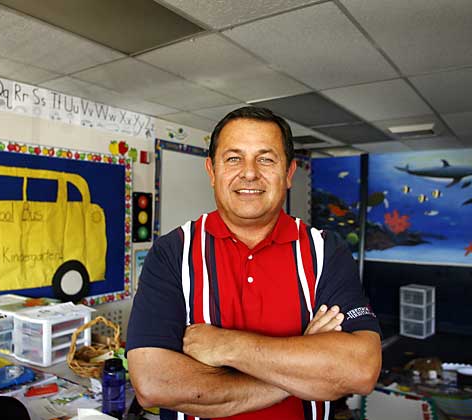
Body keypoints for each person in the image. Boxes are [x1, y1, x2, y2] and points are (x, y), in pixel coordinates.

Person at [126, 106, 382, 420]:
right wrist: (303, 371)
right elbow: (154, 384)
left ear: (288, 173)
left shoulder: (326, 252)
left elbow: (360, 370)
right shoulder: (171, 253)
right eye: (234, 158)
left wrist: (226, 345)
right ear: (212, 171)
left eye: (266, 159)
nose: (249, 172)